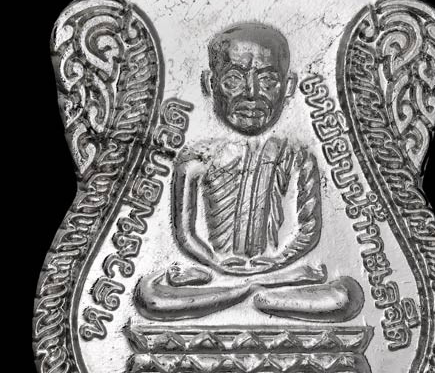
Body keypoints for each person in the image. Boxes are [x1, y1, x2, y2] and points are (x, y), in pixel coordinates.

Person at [135, 23, 363, 322]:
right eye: (234, 79)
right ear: (210, 84)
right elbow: (186, 235)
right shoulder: (195, 158)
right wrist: (216, 263)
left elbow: (308, 231)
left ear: (288, 86)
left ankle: (250, 291)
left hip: (280, 273)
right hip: (213, 275)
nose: (252, 94)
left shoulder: (297, 155)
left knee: (344, 297)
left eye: (267, 80)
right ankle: (252, 292)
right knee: (152, 299)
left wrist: (274, 263)